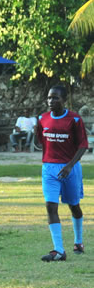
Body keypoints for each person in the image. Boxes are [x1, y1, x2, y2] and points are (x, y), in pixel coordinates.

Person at [35, 85, 88, 261]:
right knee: (50, 206)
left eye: (55, 98)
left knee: (74, 206)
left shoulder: (74, 120)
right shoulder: (42, 118)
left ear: (64, 100)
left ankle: (78, 241)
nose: (51, 101)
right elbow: (40, 140)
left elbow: (83, 146)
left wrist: (70, 165)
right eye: (49, 98)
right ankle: (58, 250)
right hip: (49, 168)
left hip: (70, 168)